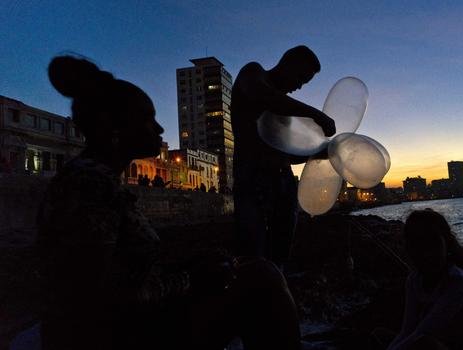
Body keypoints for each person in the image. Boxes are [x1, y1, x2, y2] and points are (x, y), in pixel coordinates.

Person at [37, 55, 301, 350]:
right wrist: (191, 278)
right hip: (114, 335)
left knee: (254, 270)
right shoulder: (87, 186)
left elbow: (124, 269)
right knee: (263, 280)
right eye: (148, 119)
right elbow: (96, 297)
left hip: (131, 321)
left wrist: (189, 265)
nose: (160, 130)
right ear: (115, 128)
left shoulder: (98, 180)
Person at [231, 45, 336, 266]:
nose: (298, 86)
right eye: (299, 77)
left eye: (304, 82)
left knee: (280, 250)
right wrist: (316, 115)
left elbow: (285, 154)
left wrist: (316, 153)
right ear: (287, 63)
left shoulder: (283, 110)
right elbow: (261, 95)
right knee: (253, 250)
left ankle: (276, 285)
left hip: (283, 181)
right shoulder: (253, 73)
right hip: (252, 178)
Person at [387, 209, 463, 350]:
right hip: (444, 341)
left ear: (447, 244)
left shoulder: (458, 282)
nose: (427, 253)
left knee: (425, 343)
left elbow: (424, 331)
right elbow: (407, 329)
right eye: (418, 245)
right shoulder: (414, 280)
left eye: (433, 243)